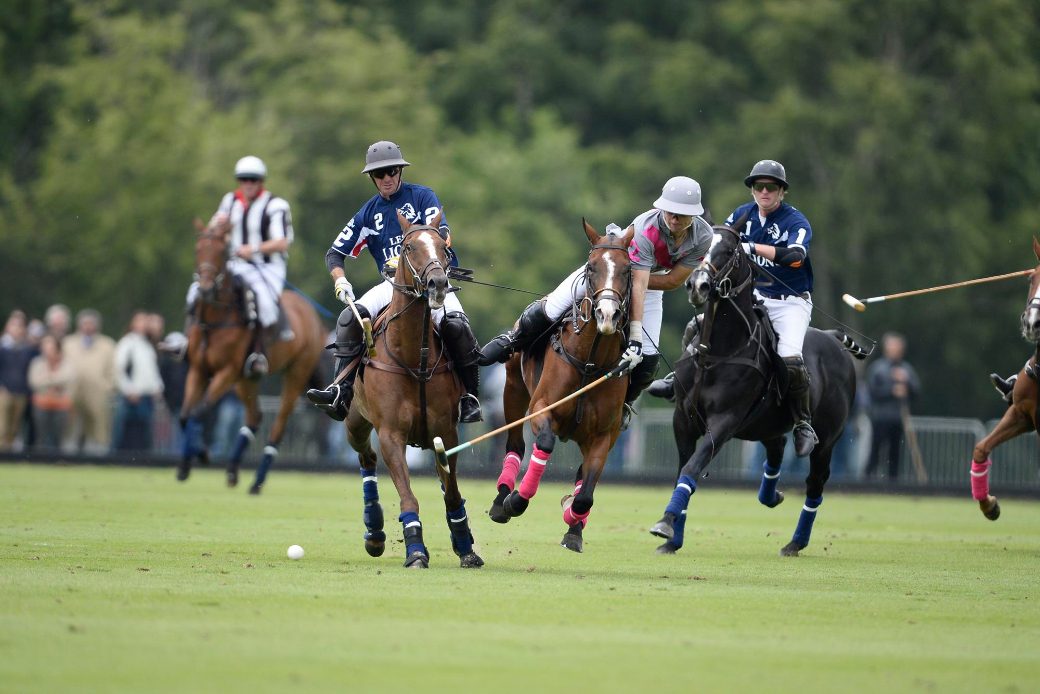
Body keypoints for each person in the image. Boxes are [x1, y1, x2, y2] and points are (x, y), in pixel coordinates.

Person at [479, 176, 714, 431]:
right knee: (551, 309)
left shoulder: (703, 235)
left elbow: (672, 281)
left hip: (643, 282)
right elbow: (638, 282)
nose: (674, 219)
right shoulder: (647, 229)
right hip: (604, 272)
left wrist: (636, 340)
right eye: (670, 211)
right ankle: (511, 341)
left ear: (694, 215)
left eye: (682, 214)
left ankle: (624, 404)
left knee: (647, 361)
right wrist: (624, 314)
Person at [306, 141, 483, 423]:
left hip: (431, 282)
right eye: (379, 174)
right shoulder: (367, 214)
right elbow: (335, 253)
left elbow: (440, 234)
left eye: (391, 171)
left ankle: (469, 397)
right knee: (348, 319)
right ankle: (341, 390)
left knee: (458, 326)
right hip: (394, 287)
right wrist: (341, 282)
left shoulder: (423, 197)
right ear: (372, 178)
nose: (386, 178)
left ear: (400, 171)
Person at [727, 159, 818, 457]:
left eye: (771, 187)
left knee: (790, 359)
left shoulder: (796, 222)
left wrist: (752, 248)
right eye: (759, 186)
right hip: (755, 296)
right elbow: (720, 240)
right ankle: (680, 381)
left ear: (782, 192)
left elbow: (795, 257)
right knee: (701, 324)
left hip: (791, 301)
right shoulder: (742, 214)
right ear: (753, 190)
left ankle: (802, 423)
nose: (764, 192)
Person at [185, 156, 295, 378]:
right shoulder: (229, 201)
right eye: (244, 180)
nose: (248, 184)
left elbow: (282, 241)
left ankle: (258, 354)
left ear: (261, 181)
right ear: (239, 181)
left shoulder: (277, 205)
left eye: (253, 180)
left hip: (266, 267)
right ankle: (187, 341)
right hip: (234, 266)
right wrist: (216, 227)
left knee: (263, 303)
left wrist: (253, 248)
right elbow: (211, 233)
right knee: (195, 291)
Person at [865, 332, 921, 481]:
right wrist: (892, 392)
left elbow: (916, 391)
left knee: (895, 454)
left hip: (898, 418)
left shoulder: (906, 369)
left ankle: (893, 485)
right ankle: (866, 481)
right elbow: (872, 392)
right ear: (887, 347)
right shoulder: (878, 368)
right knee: (875, 452)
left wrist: (907, 383)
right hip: (880, 418)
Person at [63, 309, 116, 454]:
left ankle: (97, 457)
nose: (88, 327)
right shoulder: (68, 343)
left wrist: (107, 387)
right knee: (71, 428)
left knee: (98, 430)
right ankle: (68, 457)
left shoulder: (107, 344)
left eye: (91, 323)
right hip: (73, 393)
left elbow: (113, 371)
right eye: (85, 323)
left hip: (97, 395)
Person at [112, 311, 164, 452]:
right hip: (132, 397)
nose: (143, 324)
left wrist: (158, 387)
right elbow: (118, 370)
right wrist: (129, 390)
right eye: (139, 321)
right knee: (123, 433)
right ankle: (115, 460)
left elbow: (152, 371)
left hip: (146, 396)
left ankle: (143, 460)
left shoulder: (148, 344)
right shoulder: (127, 343)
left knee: (144, 434)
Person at [27, 334, 75, 451]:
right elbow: (35, 382)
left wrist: (48, 381)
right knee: (41, 436)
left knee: (59, 437)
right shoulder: (37, 363)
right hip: (41, 404)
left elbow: (68, 378)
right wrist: (55, 381)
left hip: (62, 405)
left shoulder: (67, 363)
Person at [0, 311, 38, 450]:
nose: (17, 329)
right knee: (2, 425)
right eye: (13, 325)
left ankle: (9, 453)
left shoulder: (28, 349)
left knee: (14, 427)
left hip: (21, 391)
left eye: (20, 326)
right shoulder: (2, 347)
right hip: (4, 390)